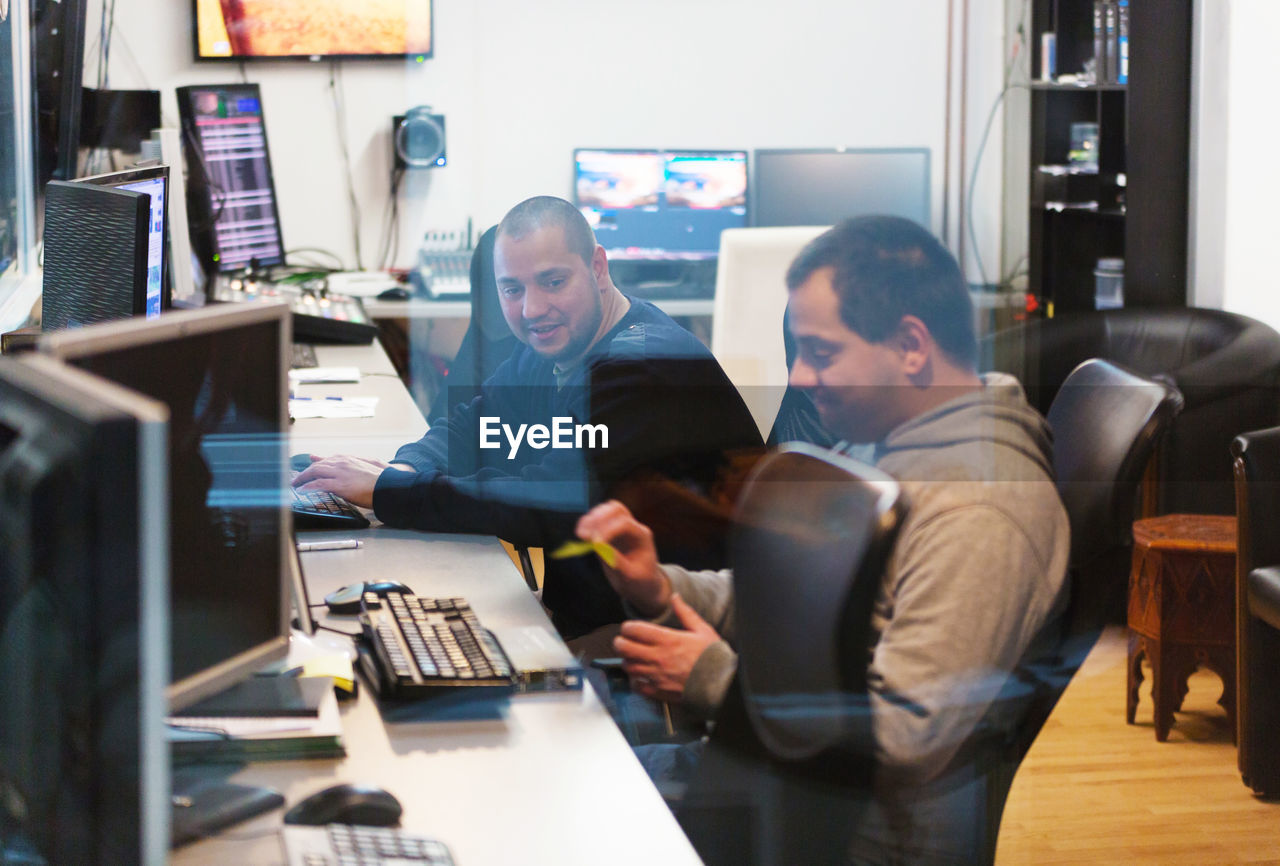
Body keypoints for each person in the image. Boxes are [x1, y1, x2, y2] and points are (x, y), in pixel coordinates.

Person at [575, 215, 1070, 863]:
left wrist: (711, 679)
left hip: (849, 833)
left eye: (821, 352)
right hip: (788, 780)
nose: (801, 377)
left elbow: (902, 740)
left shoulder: (979, 513)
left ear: (911, 346)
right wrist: (662, 585)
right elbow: (789, 603)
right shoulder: (880, 444)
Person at [293, 196, 760, 639]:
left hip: (662, 632)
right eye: (511, 289)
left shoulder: (638, 368)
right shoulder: (562, 339)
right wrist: (403, 470)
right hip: (588, 609)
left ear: (597, 267)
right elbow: (471, 426)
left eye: (553, 282)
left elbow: (543, 501)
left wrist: (389, 492)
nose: (532, 309)